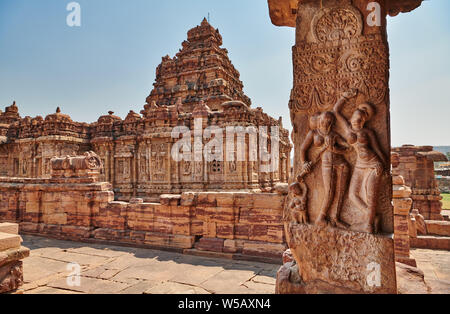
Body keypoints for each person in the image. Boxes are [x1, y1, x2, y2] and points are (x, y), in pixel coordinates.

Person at [333, 90, 387, 233]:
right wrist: (346, 96)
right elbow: (336, 111)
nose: (359, 122)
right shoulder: (347, 128)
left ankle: (368, 225)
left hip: (373, 164)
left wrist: (384, 167)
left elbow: (378, 149)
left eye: (362, 120)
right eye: (357, 118)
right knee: (352, 195)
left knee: (370, 196)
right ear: (351, 118)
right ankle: (371, 216)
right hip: (359, 165)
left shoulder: (368, 133)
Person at [300, 111, 349, 228]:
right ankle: (321, 218)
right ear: (319, 119)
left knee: (340, 192)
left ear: (331, 122)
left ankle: (335, 217)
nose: (325, 122)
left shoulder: (334, 134)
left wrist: (336, 149)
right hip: (326, 163)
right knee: (330, 191)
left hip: (341, 163)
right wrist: (304, 163)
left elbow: (347, 147)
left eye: (328, 121)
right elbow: (303, 149)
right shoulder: (313, 133)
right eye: (323, 119)